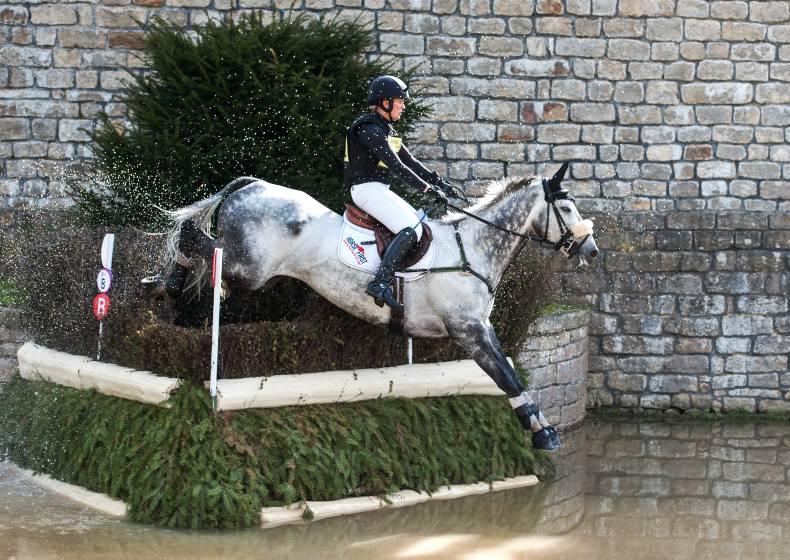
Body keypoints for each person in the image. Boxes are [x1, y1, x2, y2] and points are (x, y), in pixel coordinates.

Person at [344, 75, 454, 311]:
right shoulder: (369, 130)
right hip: (365, 190)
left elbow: (410, 161)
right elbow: (397, 166)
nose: (403, 106)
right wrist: (427, 189)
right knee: (411, 228)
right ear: (385, 102)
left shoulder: (386, 129)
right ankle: (380, 283)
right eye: (400, 101)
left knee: (419, 224)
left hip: (378, 189)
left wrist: (439, 182)